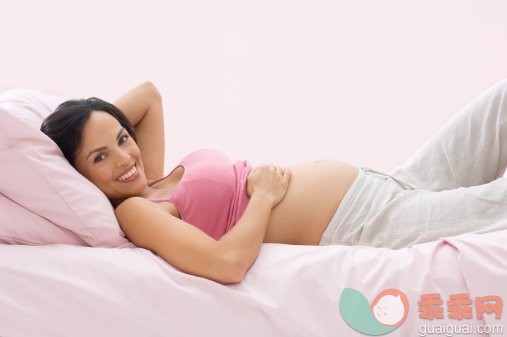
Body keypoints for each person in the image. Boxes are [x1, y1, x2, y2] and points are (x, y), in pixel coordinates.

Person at [40, 81, 507, 283]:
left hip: (389, 182)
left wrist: (89, 122)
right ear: (80, 175)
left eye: (123, 137)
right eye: (101, 157)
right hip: (370, 222)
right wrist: (262, 198)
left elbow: (148, 94)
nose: (126, 157)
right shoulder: (134, 210)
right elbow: (226, 263)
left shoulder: (150, 179)